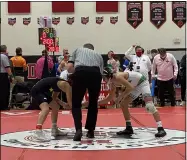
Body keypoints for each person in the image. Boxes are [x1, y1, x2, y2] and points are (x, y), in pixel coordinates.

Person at [85, 67, 166, 137]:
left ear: (109, 76)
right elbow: (109, 99)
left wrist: (120, 97)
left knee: (150, 106)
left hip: (142, 82)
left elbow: (130, 87)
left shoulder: (118, 77)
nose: (103, 79)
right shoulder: (112, 82)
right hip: (134, 86)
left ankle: (160, 128)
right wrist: (94, 103)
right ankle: (129, 127)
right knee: (123, 104)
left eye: (104, 77)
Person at [67, 43, 103, 141]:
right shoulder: (98, 55)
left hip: (81, 72)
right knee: (93, 103)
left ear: (84, 47)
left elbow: (69, 67)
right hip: (95, 74)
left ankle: (78, 130)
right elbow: (101, 72)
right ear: (93, 49)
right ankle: (90, 131)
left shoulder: (77, 49)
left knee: (76, 103)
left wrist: (72, 75)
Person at [30, 76, 72, 141]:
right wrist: (83, 104)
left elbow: (54, 97)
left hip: (43, 92)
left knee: (56, 106)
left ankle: (54, 129)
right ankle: (38, 131)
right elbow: (71, 104)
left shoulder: (60, 84)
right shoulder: (66, 85)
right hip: (37, 91)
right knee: (45, 109)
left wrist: (63, 104)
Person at [0, 45, 14, 110]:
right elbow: (7, 67)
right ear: (5, 50)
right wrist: (11, 76)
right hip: (2, 75)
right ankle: (4, 106)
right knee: (4, 90)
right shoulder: (3, 56)